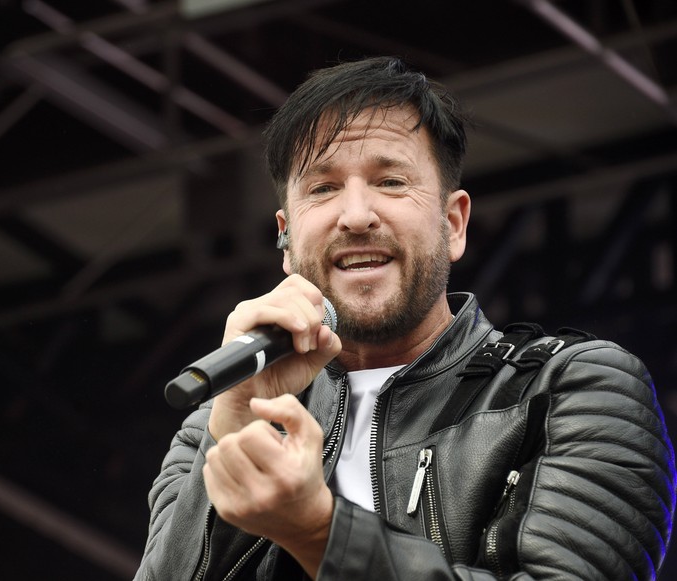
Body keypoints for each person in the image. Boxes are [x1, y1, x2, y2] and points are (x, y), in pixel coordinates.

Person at [133, 56, 676, 580]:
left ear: (454, 222)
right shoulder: (209, 431)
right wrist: (237, 420)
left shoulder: (570, 389)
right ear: (285, 239)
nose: (355, 215)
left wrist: (318, 532)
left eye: (390, 181)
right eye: (322, 189)